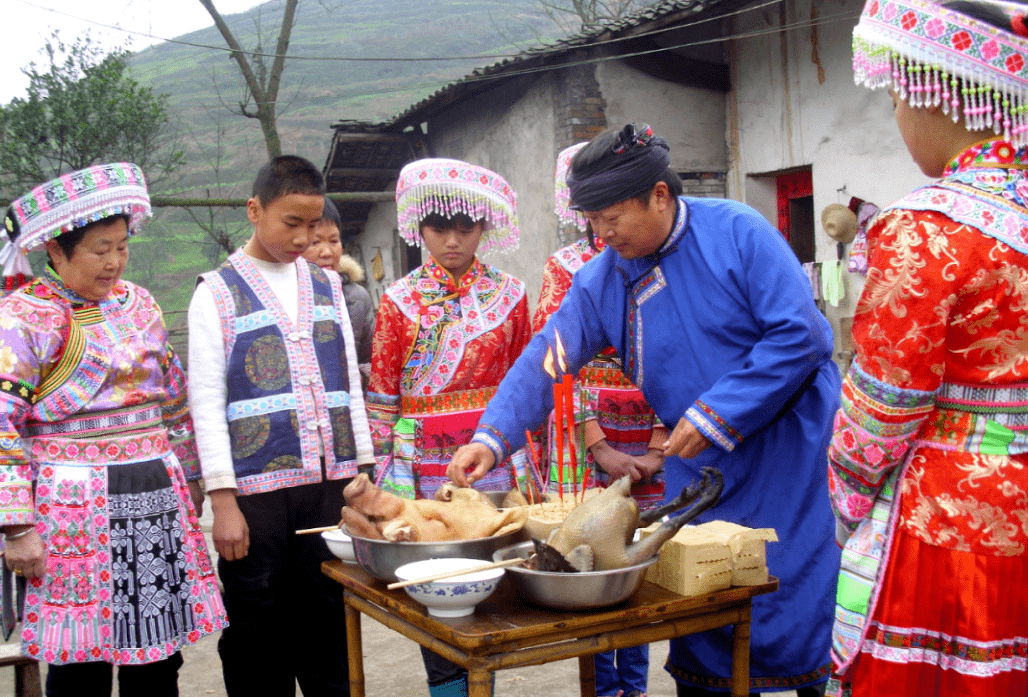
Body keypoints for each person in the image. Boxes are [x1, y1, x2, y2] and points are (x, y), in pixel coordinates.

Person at [449, 124, 841, 696]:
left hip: (786, 444)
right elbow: (548, 358)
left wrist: (716, 412)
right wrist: (492, 437)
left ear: (660, 195)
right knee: (700, 593)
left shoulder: (738, 231)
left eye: (613, 217)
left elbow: (803, 336)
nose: (603, 234)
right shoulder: (601, 280)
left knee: (786, 590)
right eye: (592, 221)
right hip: (701, 460)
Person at [828, 1, 1028, 695]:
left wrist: (848, 501)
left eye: (894, 100)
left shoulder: (925, 228)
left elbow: (884, 403)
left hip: (948, 522)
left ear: (930, 95)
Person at [0, 163, 227, 697]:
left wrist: (192, 477)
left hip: (153, 499)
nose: (115, 261)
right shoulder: (23, 317)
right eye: (100, 248)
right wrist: (16, 526)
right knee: (80, 662)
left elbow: (175, 400)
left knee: (157, 657)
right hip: (71, 509)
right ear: (57, 250)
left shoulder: (140, 304)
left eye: (122, 246)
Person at [187, 155, 374, 696]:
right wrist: (222, 504)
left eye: (313, 225)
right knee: (255, 628)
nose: (303, 236)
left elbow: (348, 388)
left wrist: (361, 470)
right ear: (254, 210)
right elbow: (205, 402)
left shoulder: (328, 287)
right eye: (291, 223)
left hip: (328, 488)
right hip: (254, 497)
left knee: (329, 623)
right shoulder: (215, 292)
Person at [365, 157, 532, 696]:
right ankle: (447, 686)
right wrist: (377, 468)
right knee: (431, 577)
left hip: (494, 456)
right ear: (419, 229)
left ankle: (483, 678)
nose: (453, 240)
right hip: (420, 465)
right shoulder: (396, 300)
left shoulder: (512, 296)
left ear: (484, 228)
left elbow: (523, 382)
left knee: (496, 567)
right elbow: (384, 390)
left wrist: (534, 456)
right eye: (439, 228)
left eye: (466, 227)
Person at [536, 142, 668, 697]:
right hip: (585, 433)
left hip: (663, 424)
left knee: (634, 559)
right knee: (588, 559)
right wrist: (597, 445)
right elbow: (557, 363)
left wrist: (661, 443)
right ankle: (602, 685)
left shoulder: (663, 254)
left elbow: (680, 350)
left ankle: (633, 685)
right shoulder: (564, 269)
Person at [302, 197, 375, 378]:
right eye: (315, 243)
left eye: (334, 241)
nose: (327, 253)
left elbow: (371, 359)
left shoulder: (356, 297)